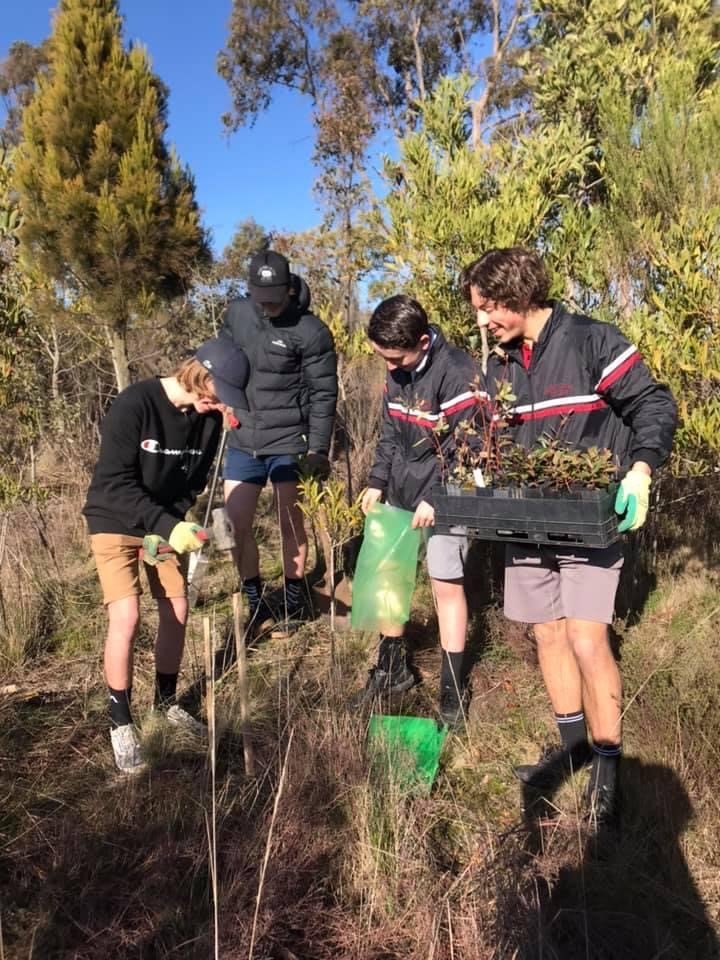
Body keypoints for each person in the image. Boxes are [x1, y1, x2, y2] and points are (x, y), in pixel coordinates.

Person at [460, 246, 677, 824]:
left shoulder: (590, 341)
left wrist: (640, 470)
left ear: (519, 294)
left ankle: (607, 766)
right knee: (548, 636)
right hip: (526, 525)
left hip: (587, 521)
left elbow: (653, 404)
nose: (482, 321)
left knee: (586, 639)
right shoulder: (500, 367)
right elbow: (491, 438)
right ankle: (572, 749)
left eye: (488, 307)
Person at [83, 336, 251, 775]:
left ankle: (165, 703)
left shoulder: (208, 421)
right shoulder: (135, 404)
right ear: (200, 375)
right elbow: (116, 484)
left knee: (177, 609)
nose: (220, 405)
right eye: (219, 394)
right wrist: (164, 525)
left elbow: (191, 484)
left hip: (164, 526)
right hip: (113, 518)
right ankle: (121, 722)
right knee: (127, 617)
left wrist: (173, 525)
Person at [354, 294, 479, 725]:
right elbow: (390, 433)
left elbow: (470, 448)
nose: (389, 366)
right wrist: (377, 482)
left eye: (396, 358)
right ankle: (392, 671)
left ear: (423, 342)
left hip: (446, 498)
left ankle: (452, 692)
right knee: (389, 577)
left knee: (446, 585)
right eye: (383, 357)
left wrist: (439, 496)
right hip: (401, 492)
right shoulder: (396, 372)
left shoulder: (456, 373)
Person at [221, 250, 337, 637]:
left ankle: (293, 602)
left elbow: (323, 394)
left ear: (289, 288)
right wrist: (219, 400)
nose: (267, 306)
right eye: (261, 298)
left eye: (274, 298)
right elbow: (221, 363)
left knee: (290, 523)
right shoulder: (237, 314)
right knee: (235, 525)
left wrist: (318, 450)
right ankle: (255, 603)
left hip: (289, 439)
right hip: (242, 438)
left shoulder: (311, 331)